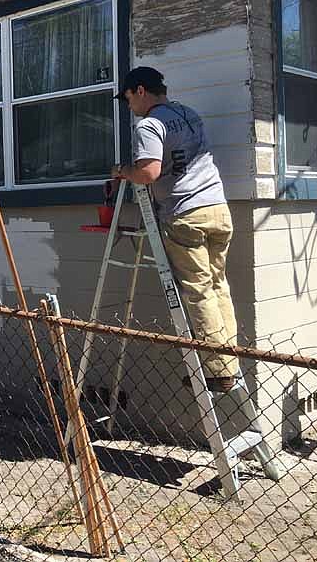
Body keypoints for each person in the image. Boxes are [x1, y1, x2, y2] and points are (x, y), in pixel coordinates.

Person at [112, 66, 238, 393]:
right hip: (218, 208)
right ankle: (229, 362)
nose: (129, 107)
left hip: (186, 214)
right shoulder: (189, 114)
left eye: (127, 99)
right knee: (217, 285)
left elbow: (149, 172)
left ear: (140, 91)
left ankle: (216, 371)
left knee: (198, 290)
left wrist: (123, 171)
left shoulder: (150, 125)